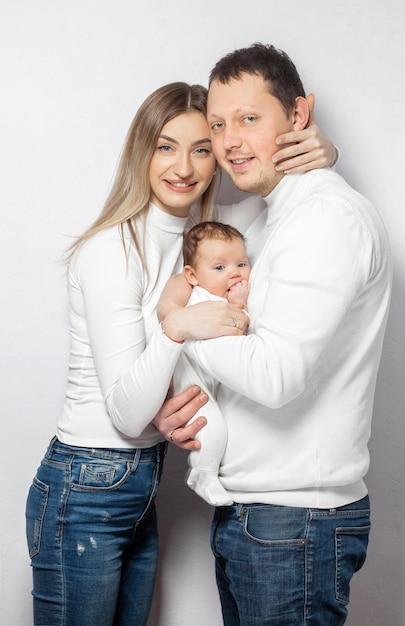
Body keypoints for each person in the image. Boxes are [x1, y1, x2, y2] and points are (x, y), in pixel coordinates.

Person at [25, 77, 337, 626]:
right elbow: (125, 411)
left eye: (200, 148)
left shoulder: (208, 240)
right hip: (85, 486)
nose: (184, 167)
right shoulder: (111, 250)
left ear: (217, 159)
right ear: (142, 152)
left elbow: (280, 203)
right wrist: (177, 328)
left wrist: (323, 152)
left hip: (140, 481)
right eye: (166, 146)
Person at [155, 44, 393, 626]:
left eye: (250, 118)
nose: (229, 139)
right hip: (260, 517)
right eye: (219, 123)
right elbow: (188, 276)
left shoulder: (325, 218)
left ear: (299, 116)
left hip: (294, 524)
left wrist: (183, 328)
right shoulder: (266, 219)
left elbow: (274, 374)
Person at [174, 221, 250, 506]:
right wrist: (239, 307)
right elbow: (228, 331)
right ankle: (202, 474)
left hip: (210, 380)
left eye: (241, 264)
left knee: (223, 425)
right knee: (213, 426)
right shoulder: (199, 300)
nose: (233, 273)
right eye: (219, 268)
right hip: (189, 385)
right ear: (192, 276)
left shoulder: (220, 296)